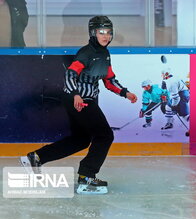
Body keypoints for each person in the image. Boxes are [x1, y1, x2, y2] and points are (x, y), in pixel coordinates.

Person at [20, 16, 137, 194]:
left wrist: (125, 93)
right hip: (81, 100)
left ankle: (35, 158)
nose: (106, 36)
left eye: (109, 33)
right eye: (102, 32)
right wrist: (76, 95)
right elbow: (70, 75)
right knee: (105, 136)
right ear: (93, 33)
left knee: (81, 139)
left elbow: (109, 79)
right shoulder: (86, 53)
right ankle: (86, 177)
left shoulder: (104, 54)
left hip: (83, 100)